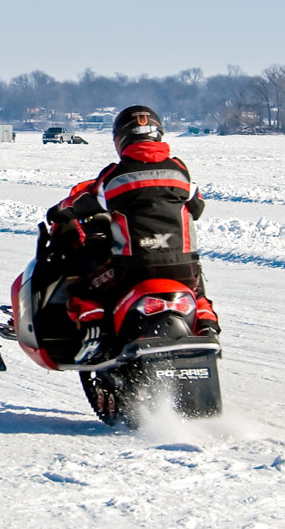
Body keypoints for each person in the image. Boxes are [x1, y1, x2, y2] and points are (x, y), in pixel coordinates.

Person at [45, 105, 220, 364]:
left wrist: (58, 211)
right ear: (158, 134)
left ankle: (96, 335)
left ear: (121, 139)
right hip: (183, 266)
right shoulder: (180, 170)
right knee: (198, 294)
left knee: (82, 288)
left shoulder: (116, 175)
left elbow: (83, 203)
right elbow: (198, 206)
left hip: (134, 267)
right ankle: (208, 329)